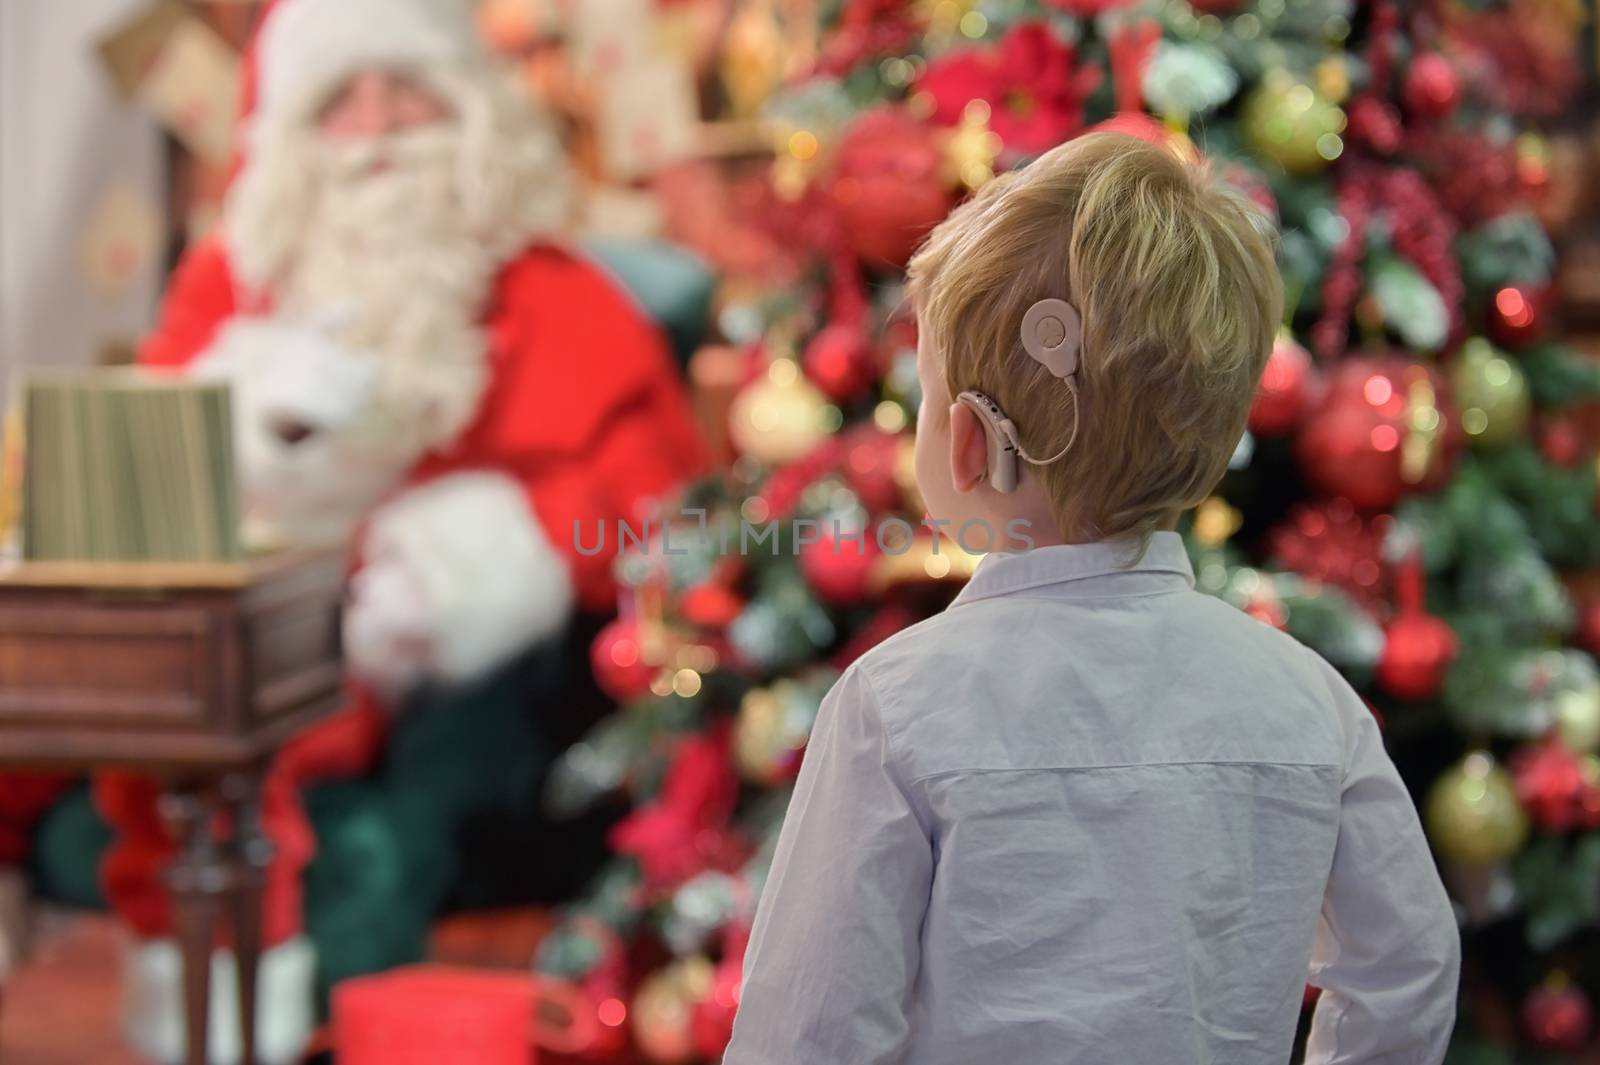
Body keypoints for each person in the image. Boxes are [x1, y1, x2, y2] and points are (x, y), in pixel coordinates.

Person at [724, 133, 1460, 1065]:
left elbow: (809, 1033)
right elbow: (1408, 965)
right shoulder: (1309, 701)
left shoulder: (894, 707)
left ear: (964, 444)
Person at [90, 0, 707, 1062]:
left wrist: (490, 559)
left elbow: (662, 510)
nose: (375, 128)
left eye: (405, 90)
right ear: (291, 134)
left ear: (468, 111)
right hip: (262, 698)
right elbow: (144, 492)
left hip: (483, 701)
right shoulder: (225, 293)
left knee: (386, 839)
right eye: (341, 99)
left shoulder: (558, 294)